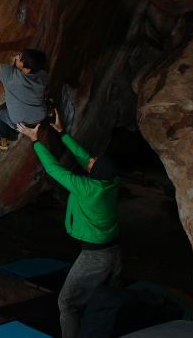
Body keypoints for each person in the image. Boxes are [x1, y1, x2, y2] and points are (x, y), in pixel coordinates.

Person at [17, 111, 121, 338]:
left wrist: (34, 140)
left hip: (96, 257)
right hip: (112, 252)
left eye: (93, 163)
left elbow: (54, 170)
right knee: (100, 298)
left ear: (96, 173)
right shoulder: (111, 181)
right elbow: (86, 159)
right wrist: (62, 133)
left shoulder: (88, 189)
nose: (90, 161)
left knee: (67, 303)